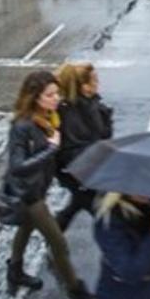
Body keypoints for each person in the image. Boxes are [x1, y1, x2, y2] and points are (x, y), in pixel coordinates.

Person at [4, 70, 92, 299]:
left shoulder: (49, 118)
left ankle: (15, 269)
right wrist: (50, 150)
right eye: (50, 94)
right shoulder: (23, 126)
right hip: (28, 194)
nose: (56, 98)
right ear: (35, 97)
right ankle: (77, 291)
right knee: (58, 243)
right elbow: (17, 166)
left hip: (39, 188)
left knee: (26, 226)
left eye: (57, 93)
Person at [54, 62, 114, 232]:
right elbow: (73, 148)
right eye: (94, 80)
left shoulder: (90, 103)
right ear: (83, 86)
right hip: (79, 173)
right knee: (102, 213)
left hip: (87, 170)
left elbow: (102, 135)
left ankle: (55, 232)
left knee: (78, 203)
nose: (97, 84)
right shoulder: (70, 112)